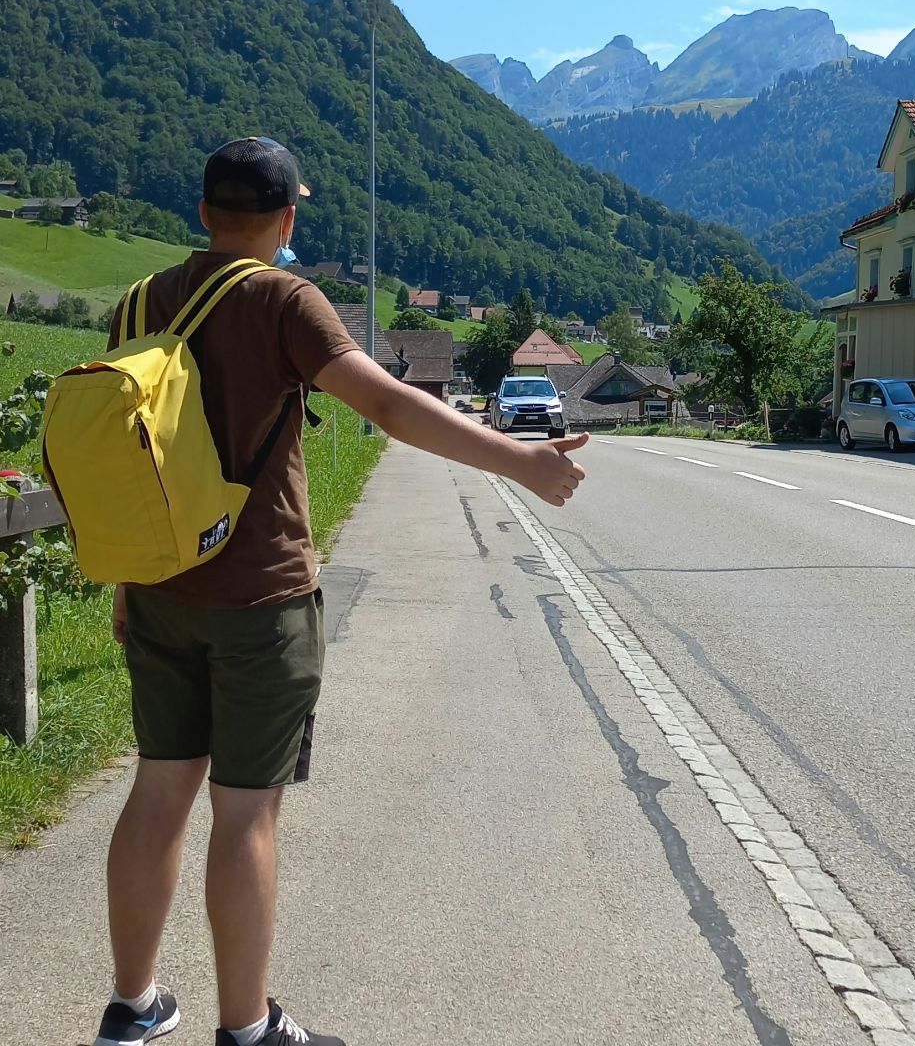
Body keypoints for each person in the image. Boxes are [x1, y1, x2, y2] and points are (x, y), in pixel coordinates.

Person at [90, 137, 587, 1046]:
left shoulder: (135, 302)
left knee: (157, 791)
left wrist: (128, 579)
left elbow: (134, 460)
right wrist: (521, 461)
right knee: (244, 812)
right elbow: (390, 407)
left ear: (202, 213)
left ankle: (132, 1007)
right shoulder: (284, 298)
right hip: (261, 601)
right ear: (287, 220)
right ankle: (246, 1029)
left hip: (159, 588)